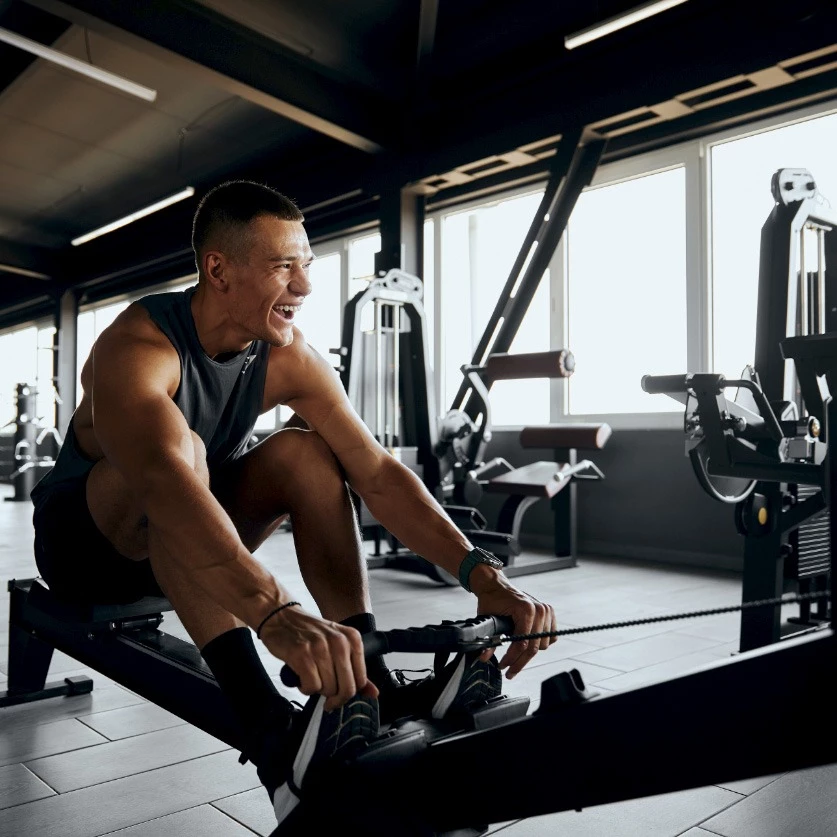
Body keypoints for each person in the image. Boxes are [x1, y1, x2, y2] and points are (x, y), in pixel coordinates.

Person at [30, 180, 557, 828]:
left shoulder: (286, 358)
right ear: (218, 268)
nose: (304, 285)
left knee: (305, 452)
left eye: (305, 264)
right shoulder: (138, 346)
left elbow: (379, 474)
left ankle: (373, 686)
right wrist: (276, 613)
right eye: (285, 265)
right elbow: (166, 480)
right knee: (182, 457)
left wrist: (483, 574)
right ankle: (271, 739)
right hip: (86, 547)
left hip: (188, 543)